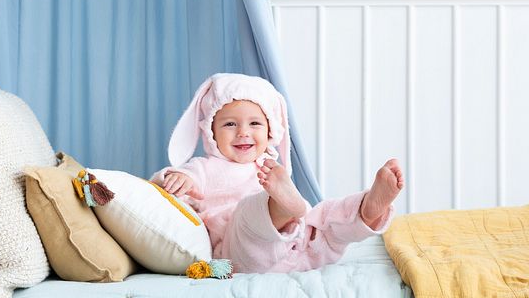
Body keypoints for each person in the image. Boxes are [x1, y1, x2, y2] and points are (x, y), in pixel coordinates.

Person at [151, 72, 404, 274]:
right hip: (241, 250)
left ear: (271, 130)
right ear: (210, 131)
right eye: (230, 124)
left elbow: (311, 220)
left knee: (324, 218)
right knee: (249, 213)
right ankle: (280, 208)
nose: (243, 132)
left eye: (255, 123)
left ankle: (366, 210)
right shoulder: (204, 167)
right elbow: (167, 186)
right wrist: (176, 179)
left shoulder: (268, 168)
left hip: (299, 249)